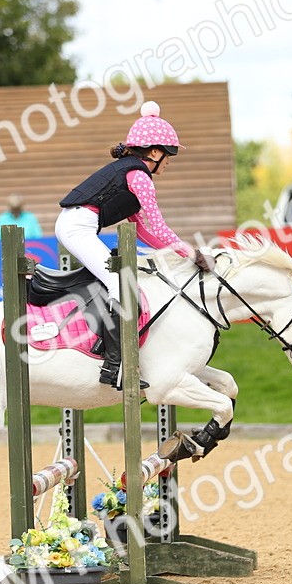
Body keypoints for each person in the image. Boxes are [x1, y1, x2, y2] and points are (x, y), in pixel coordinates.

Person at [56, 100, 214, 389]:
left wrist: (174, 253)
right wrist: (192, 253)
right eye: (169, 155)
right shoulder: (139, 176)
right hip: (77, 228)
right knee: (119, 283)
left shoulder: (130, 173)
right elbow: (160, 227)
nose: (169, 161)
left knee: (120, 282)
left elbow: (142, 230)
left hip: (77, 225)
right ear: (154, 152)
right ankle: (115, 366)